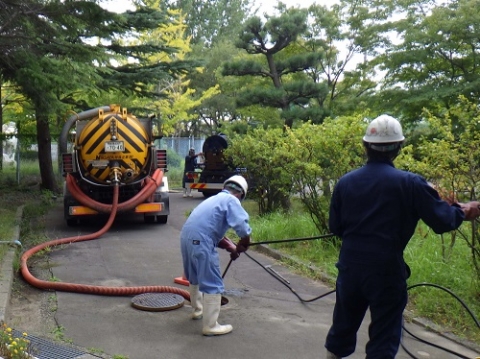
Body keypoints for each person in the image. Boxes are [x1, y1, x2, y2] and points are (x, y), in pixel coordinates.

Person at [325, 114, 480, 359]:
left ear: (366, 146)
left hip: (350, 267)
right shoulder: (410, 183)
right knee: (384, 337)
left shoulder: (345, 182)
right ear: (399, 147)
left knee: (343, 327)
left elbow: (335, 227)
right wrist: (464, 210)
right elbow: (442, 221)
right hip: (386, 271)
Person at [180, 175, 252, 336]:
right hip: (202, 241)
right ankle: (211, 326)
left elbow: (209, 228)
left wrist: (231, 246)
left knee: (195, 276)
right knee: (212, 282)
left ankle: (198, 311)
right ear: (240, 194)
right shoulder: (232, 200)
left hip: (186, 238)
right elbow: (241, 225)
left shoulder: (212, 200)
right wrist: (245, 241)